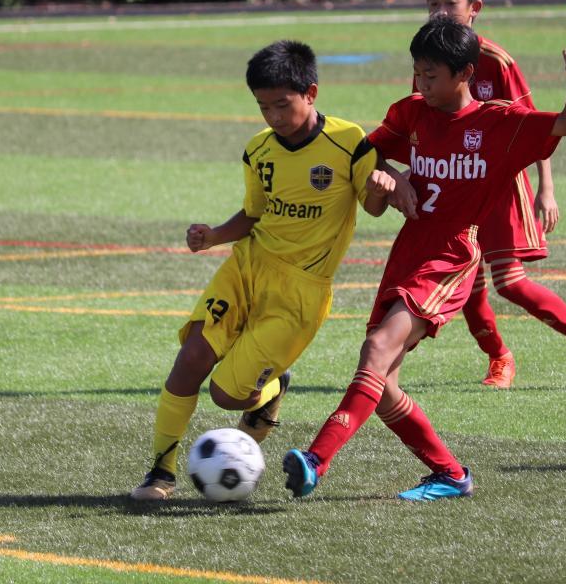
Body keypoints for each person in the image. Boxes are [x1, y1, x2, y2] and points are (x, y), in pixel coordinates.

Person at [283, 16, 566, 501]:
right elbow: (366, 154)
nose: (422, 83)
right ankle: (450, 474)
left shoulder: (498, 123)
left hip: (450, 255)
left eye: (432, 75)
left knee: (376, 350)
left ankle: (316, 459)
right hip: (408, 250)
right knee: (383, 384)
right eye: (418, 72)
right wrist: (390, 178)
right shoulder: (411, 113)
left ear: (465, 73)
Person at [130, 39, 396, 500]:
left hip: (300, 294)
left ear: (311, 93)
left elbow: (372, 208)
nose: (273, 116)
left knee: (226, 396)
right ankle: (161, 472)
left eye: (282, 104)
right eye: (263, 106)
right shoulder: (258, 150)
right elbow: (255, 213)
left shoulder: (349, 141)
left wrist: (380, 187)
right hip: (248, 267)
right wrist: (215, 235)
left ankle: (271, 390)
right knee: (190, 359)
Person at [422, 0, 566, 390]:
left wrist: (546, 188)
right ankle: (500, 359)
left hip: (499, 185)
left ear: (474, 8)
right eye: (432, 3)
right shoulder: (427, 58)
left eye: (449, 2)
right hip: (456, 184)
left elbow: (534, 126)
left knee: (509, 282)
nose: (439, 12)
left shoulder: (496, 61)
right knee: (467, 287)